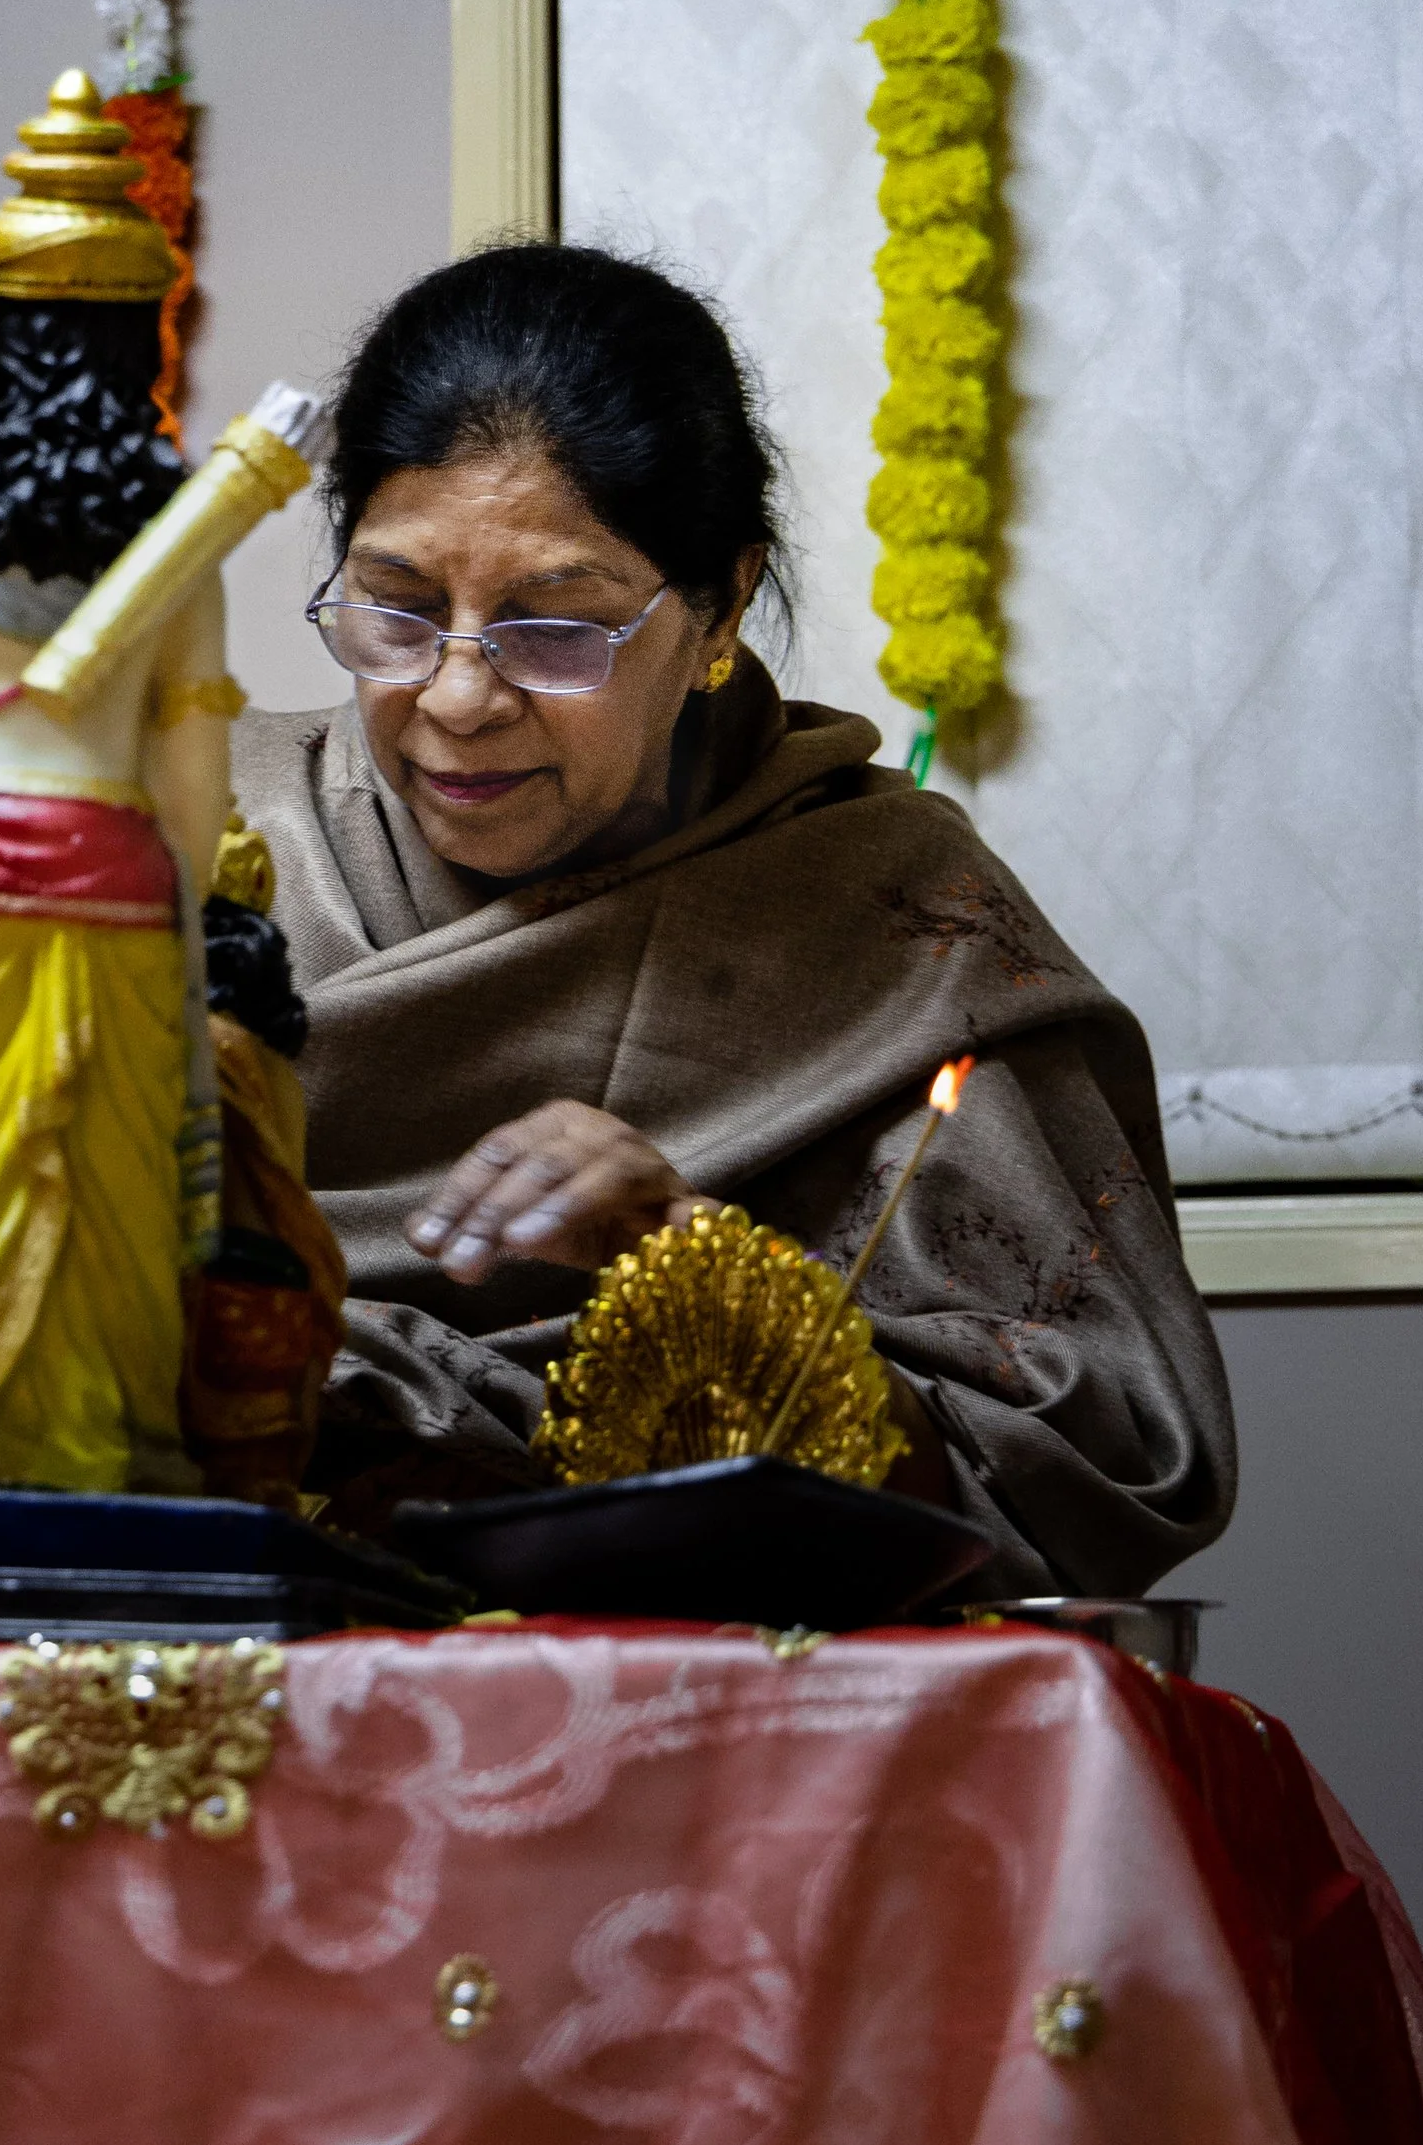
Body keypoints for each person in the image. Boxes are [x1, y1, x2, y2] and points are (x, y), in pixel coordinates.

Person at [234, 243, 1236, 1593]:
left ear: (721, 608)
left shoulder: (889, 915)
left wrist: (698, 1269)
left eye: (555, 627)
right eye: (399, 611)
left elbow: (1092, 1455)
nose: (458, 696)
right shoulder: (210, 839)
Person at [0, 71, 338, 1499]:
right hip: (114, 880)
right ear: (135, 337)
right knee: (105, 1172)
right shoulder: (182, 522)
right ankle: (110, 1442)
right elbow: (190, 746)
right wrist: (177, 887)